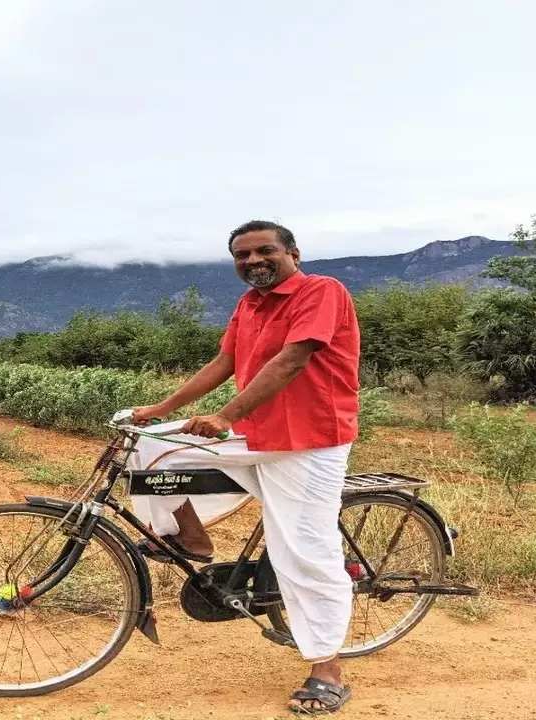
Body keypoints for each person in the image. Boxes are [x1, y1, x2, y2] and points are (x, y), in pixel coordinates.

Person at [125, 220, 361, 714]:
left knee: (302, 552)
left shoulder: (321, 291)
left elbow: (293, 360)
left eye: (264, 251)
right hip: (255, 435)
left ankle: (327, 668)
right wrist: (162, 409)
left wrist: (225, 415)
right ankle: (192, 540)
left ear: (292, 252)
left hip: (309, 442)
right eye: (242, 255)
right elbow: (223, 363)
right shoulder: (249, 303)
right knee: (149, 449)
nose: (252, 260)